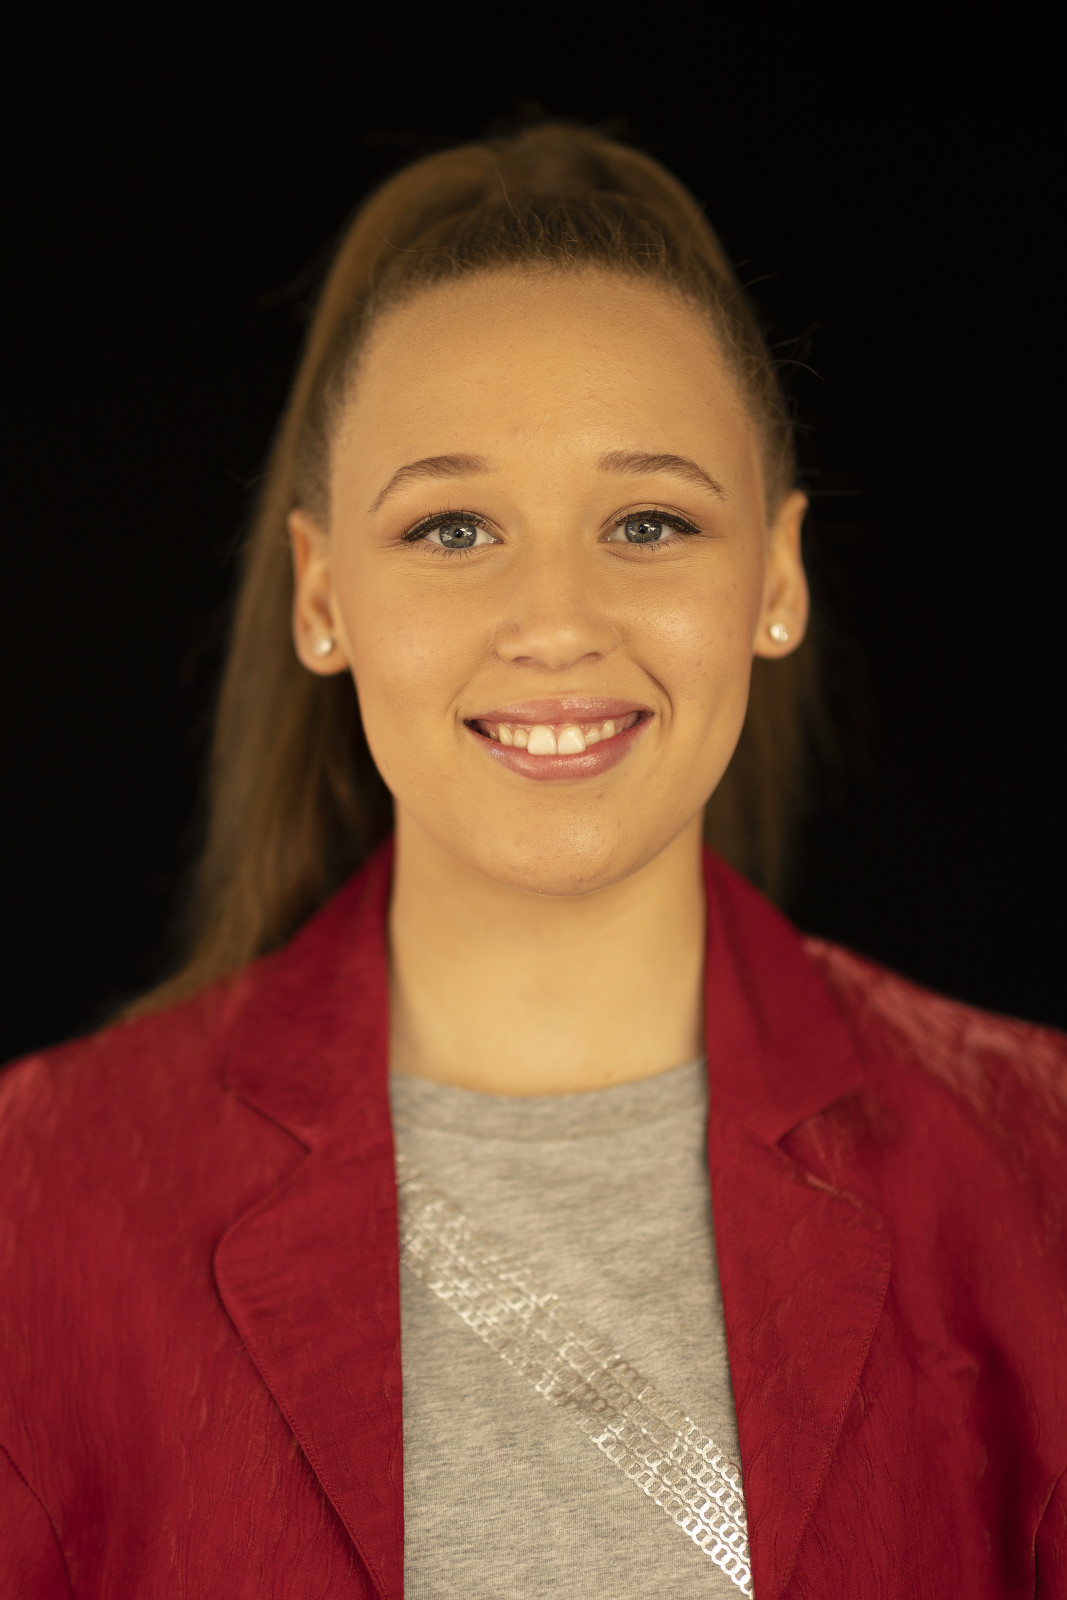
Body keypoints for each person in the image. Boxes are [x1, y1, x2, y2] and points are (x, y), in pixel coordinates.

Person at [1, 123, 1063, 1600]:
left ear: (774, 576)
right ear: (323, 595)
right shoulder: (35, 1203)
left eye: (649, 521)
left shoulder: (1037, 1171)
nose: (557, 621)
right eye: (452, 527)